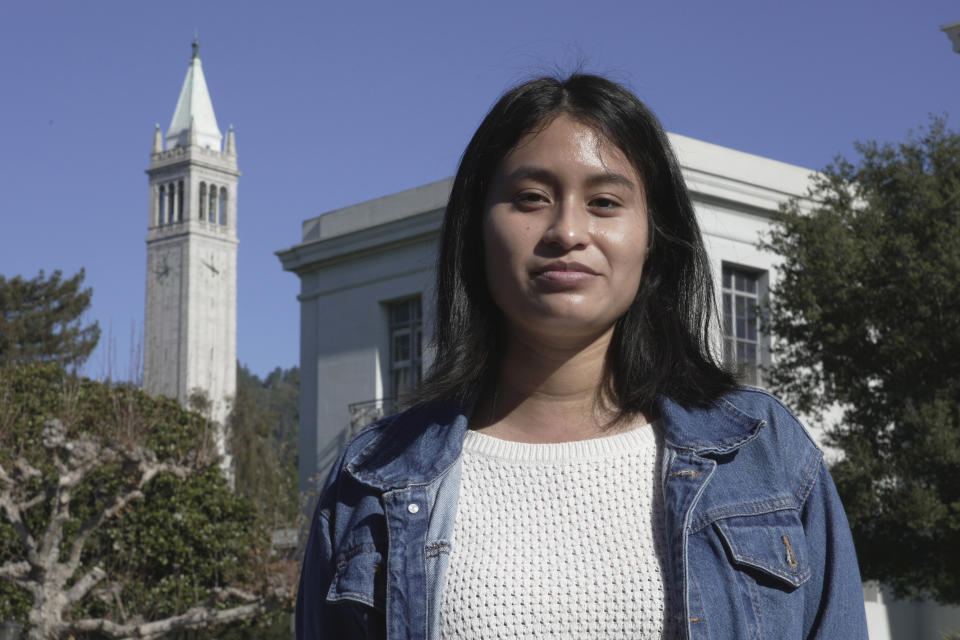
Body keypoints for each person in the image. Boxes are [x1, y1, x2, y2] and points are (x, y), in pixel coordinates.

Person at [296, 74, 869, 640]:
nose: (567, 230)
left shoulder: (762, 452)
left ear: (653, 237)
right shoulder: (371, 478)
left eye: (604, 201)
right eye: (531, 198)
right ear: (475, 231)